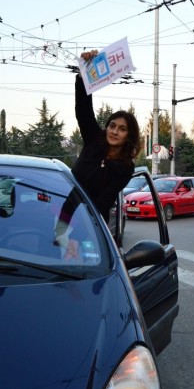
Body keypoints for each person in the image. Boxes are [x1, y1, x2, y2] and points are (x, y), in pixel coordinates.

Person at [55, 49, 142, 259]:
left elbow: (101, 203)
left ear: (128, 136)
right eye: (112, 125)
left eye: (122, 129)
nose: (114, 131)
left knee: (81, 271)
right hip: (63, 214)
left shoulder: (125, 167)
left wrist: (75, 237)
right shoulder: (94, 140)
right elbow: (83, 110)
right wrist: (84, 74)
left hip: (91, 225)